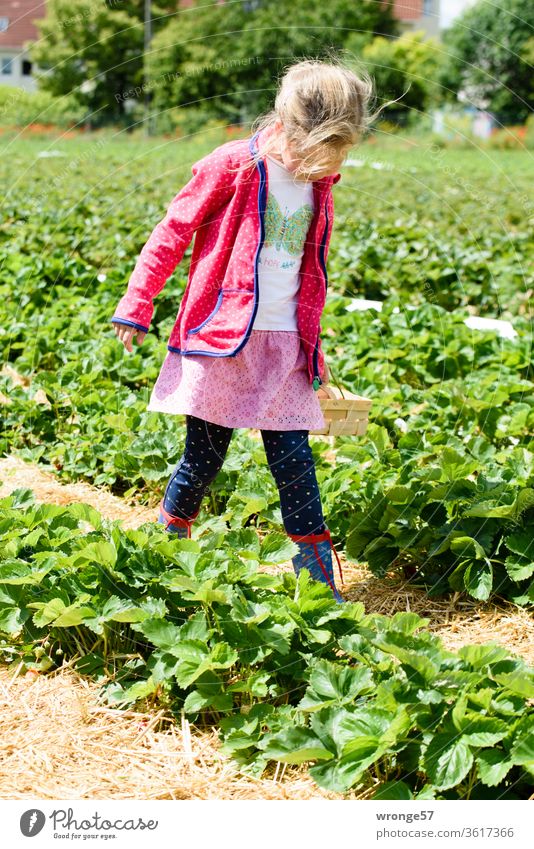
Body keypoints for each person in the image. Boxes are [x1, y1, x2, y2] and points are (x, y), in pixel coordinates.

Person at [111, 57, 377, 604]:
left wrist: (314, 346)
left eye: (340, 152)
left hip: (284, 343)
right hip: (221, 338)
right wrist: (138, 303)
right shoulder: (230, 166)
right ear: (289, 125)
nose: (328, 163)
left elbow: (306, 267)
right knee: (204, 458)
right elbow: (172, 232)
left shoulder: (319, 179)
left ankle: (316, 568)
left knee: (294, 459)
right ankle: (169, 534)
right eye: (323, 149)